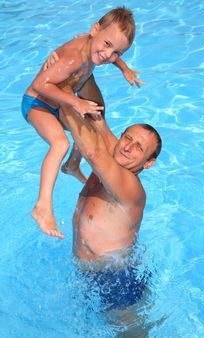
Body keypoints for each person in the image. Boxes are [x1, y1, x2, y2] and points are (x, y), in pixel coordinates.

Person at [21, 7, 143, 239]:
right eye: (107, 45)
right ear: (94, 29)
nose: (108, 55)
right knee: (59, 144)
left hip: (55, 103)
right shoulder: (75, 58)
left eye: (117, 52)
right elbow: (39, 85)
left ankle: (72, 166)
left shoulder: (96, 46)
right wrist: (76, 103)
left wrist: (125, 69)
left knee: (93, 120)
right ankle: (43, 205)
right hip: (37, 104)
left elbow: (111, 53)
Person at [58, 88, 162, 318]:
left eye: (139, 148)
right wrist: (84, 68)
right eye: (128, 138)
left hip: (116, 280)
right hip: (91, 274)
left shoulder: (129, 185)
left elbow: (93, 153)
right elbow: (97, 114)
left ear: (148, 163)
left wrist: (62, 98)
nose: (128, 147)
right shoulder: (117, 153)